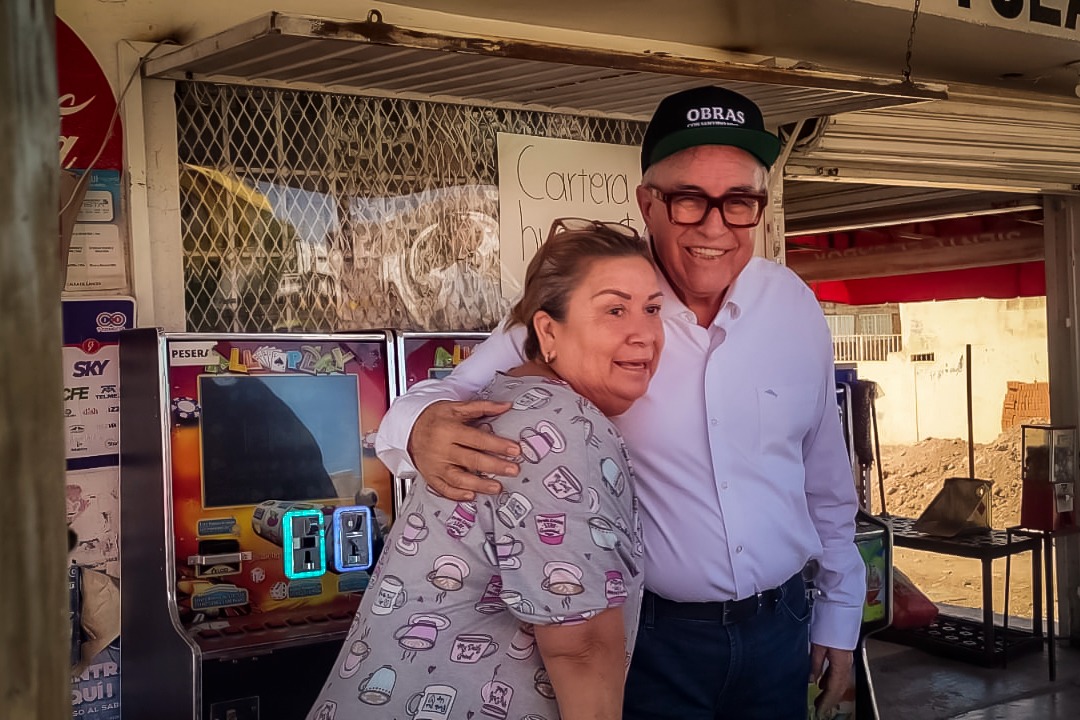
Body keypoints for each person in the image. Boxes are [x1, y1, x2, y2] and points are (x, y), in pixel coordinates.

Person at [376, 85, 865, 720]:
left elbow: (824, 477)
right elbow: (440, 397)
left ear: (760, 209)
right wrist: (418, 429)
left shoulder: (793, 305)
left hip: (781, 628)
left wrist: (840, 611)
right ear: (648, 204)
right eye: (690, 199)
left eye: (739, 202)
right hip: (650, 643)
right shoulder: (595, 311)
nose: (715, 226)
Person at [308, 219, 663, 720]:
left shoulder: (515, 397)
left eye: (652, 309)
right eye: (614, 310)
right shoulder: (564, 430)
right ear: (548, 331)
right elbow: (580, 649)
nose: (644, 333)